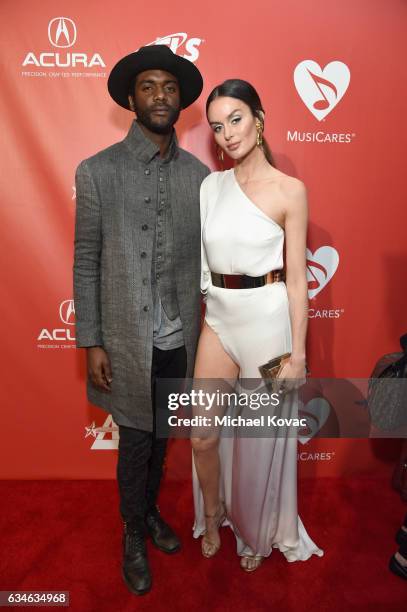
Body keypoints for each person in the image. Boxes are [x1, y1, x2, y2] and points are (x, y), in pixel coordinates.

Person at [73, 45, 209, 595]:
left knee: (163, 440)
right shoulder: (98, 171)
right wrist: (92, 340)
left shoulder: (201, 177)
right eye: (149, 86)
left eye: (169, 87)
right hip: (126, 343)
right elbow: (85, 262)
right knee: (134, 443)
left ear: (181, 100)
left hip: (180, 339)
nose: (160, 95)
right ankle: (133, 532)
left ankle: (150, 512)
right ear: (131, 98)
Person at [191, 79, 323, 571]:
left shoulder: (291, 190)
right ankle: (212, 512)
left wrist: (299, 353)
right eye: (217, 126)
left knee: (258, 443)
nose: (227, 134)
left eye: (236, 120)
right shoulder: (211, 186)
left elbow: (295, 282)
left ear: (259, 119)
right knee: (202, 435)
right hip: (219, 319)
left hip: (268, 325)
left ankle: (255, 530)